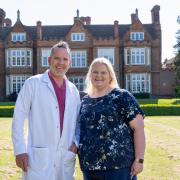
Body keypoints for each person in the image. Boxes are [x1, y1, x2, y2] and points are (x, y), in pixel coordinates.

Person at [12, 41, 80, 180]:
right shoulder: (33, 83)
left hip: (65, 155)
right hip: (38, 157)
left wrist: (75, 144)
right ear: (49, 60)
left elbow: (78, 122)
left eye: (65, 59)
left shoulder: (73, 90)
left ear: (70, 63)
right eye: (57, 58)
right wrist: (20, 150)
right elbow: (18, 118)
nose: (61, 63)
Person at [78, 57, 146, 180]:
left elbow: (139, 128)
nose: (99, 75)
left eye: (103, 72)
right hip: (89, 168)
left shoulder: (121, 96)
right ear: (90, 75)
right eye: (95, 72)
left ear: (110, 76)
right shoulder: (84, 101)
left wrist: (139, 160)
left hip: (119, 168)